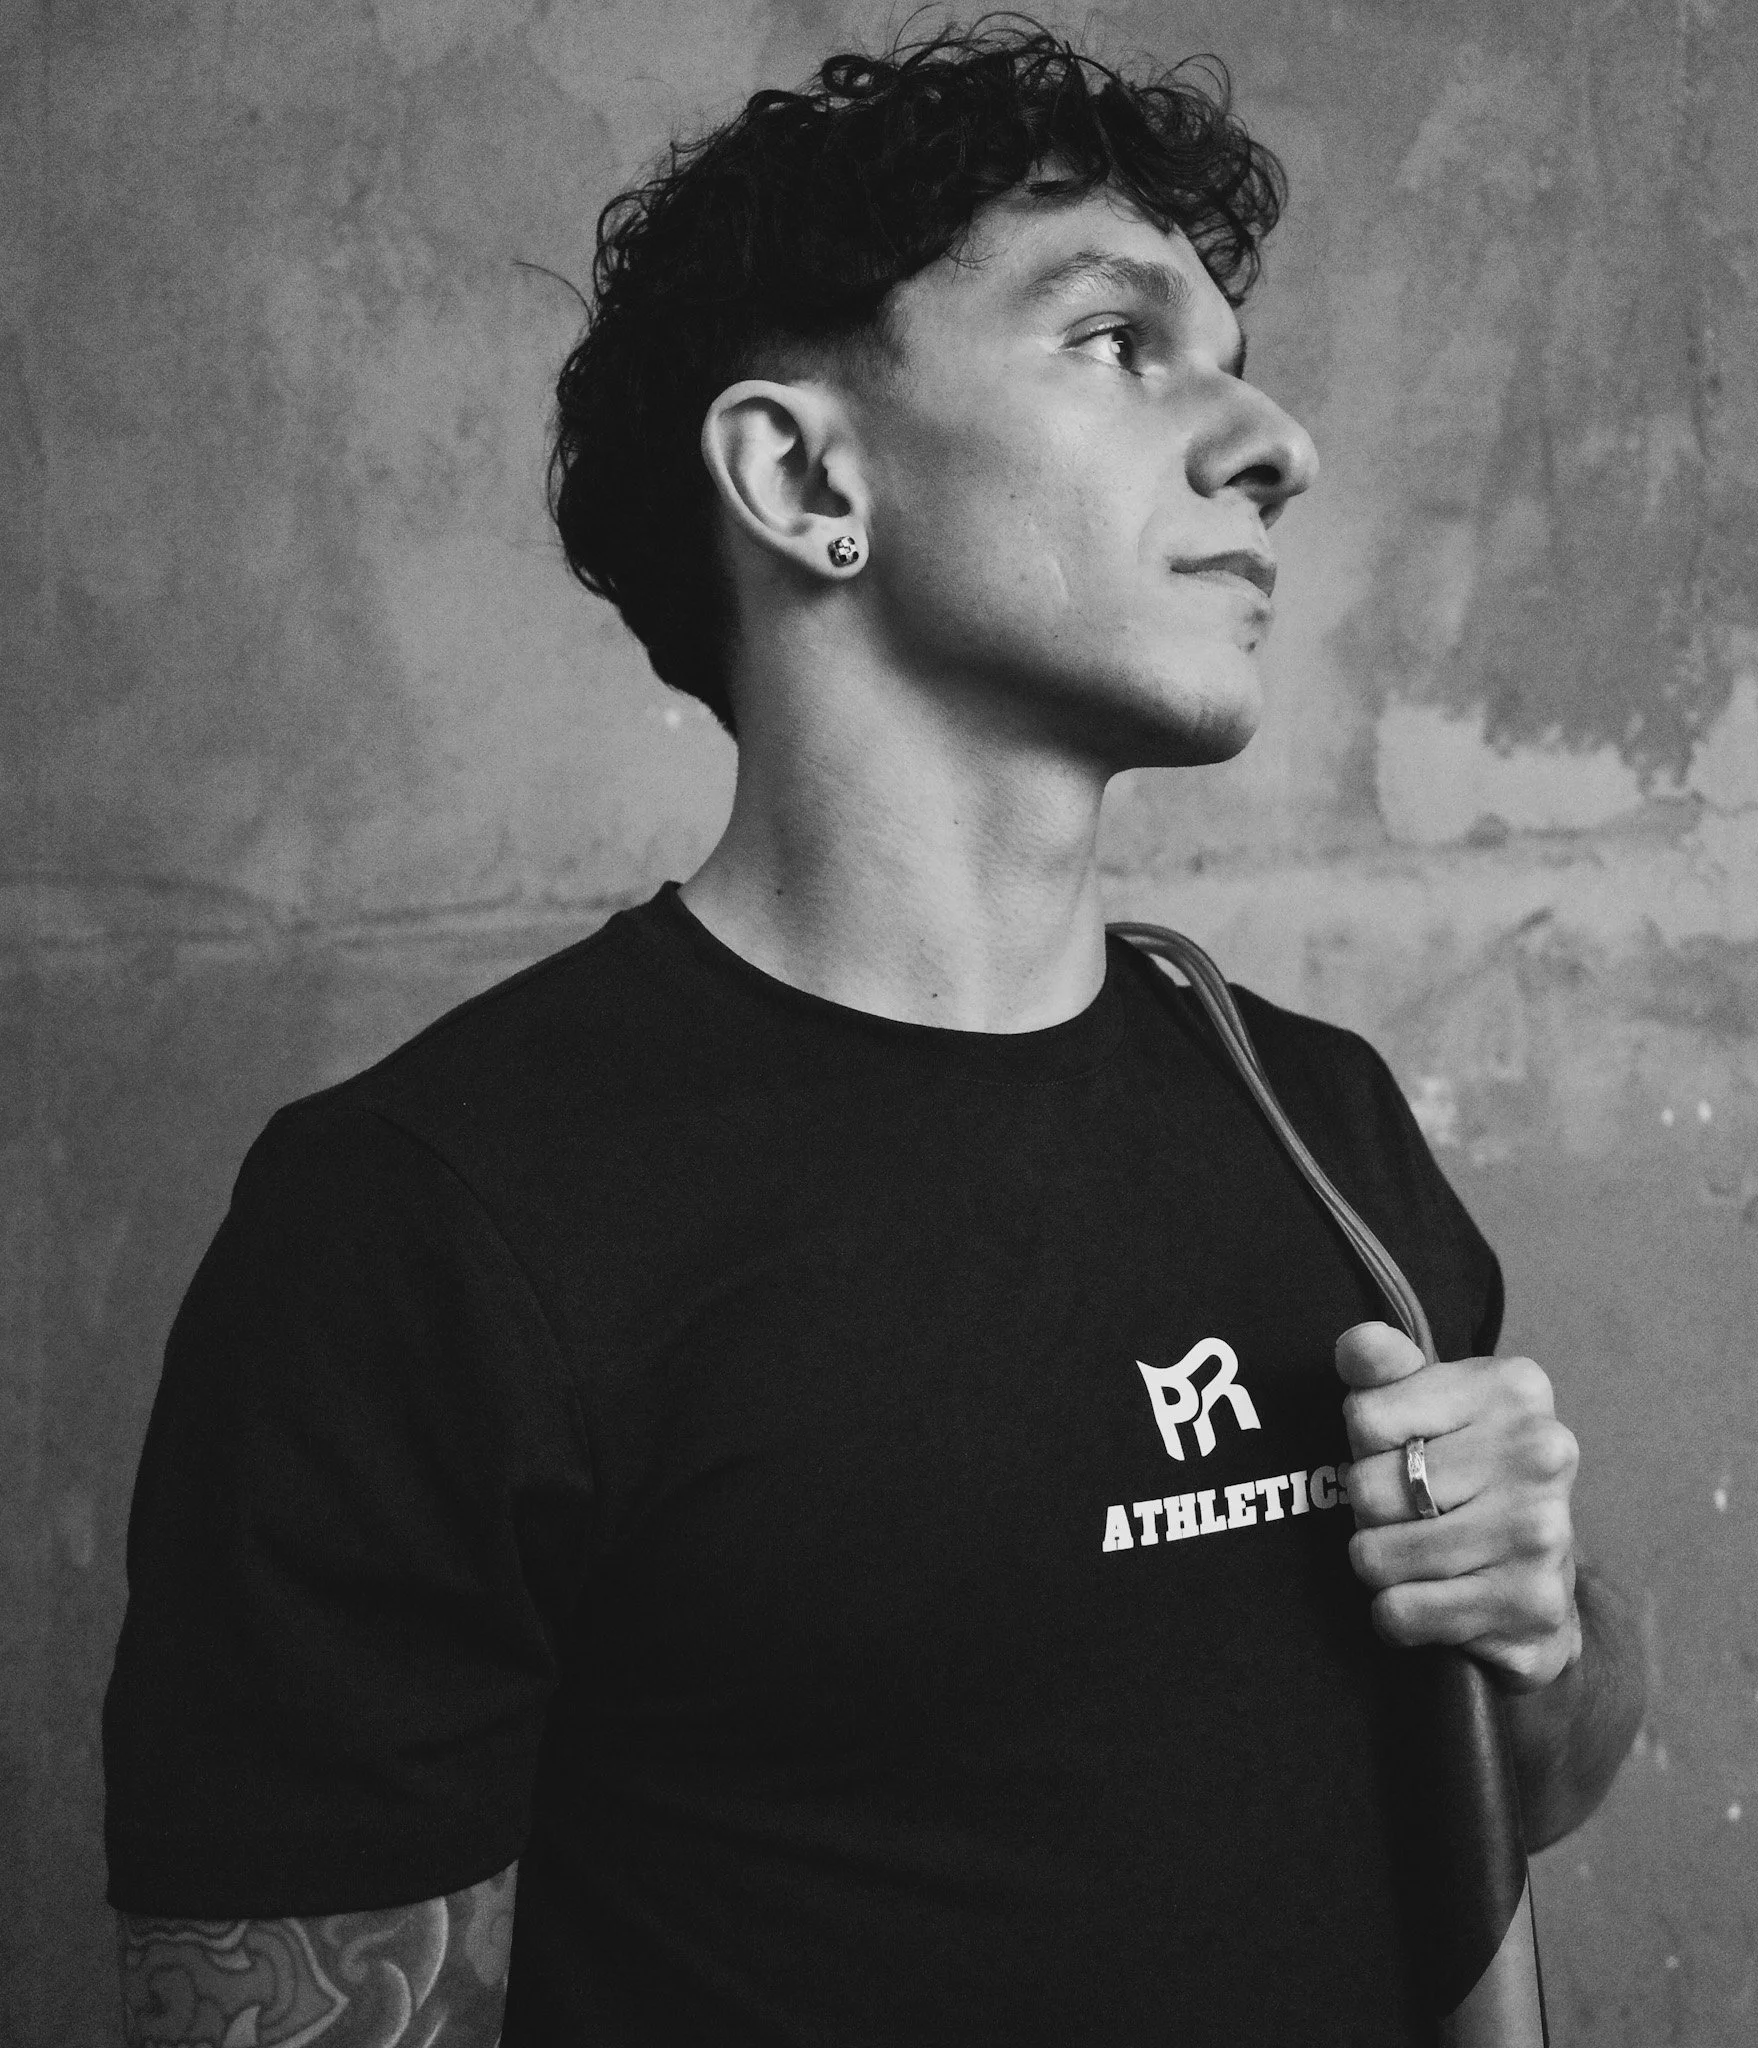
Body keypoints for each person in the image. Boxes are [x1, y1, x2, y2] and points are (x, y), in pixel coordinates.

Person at [104, 21, 1646, 2045]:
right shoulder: (425, 1223)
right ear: (806, 475)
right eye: (1115, 339)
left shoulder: (1312, 1116)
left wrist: (1535, 1635)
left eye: (1236, 351)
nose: (1273, 438)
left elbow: (1498, 1801)